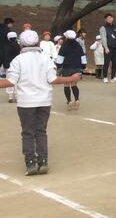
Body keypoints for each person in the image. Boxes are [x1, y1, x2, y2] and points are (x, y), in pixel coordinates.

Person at [0, 30, 81, 175]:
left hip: (26, 102)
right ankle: (43, 161)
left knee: (28, 132)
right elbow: (53, 79)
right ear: (37, 42)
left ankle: (30, 163)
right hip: (44, 101)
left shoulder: (18, 60)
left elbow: (10, 82)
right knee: (41, 131)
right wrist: (72, 78)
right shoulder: (45, 58)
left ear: (21, 43)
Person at [55, 30, 86, 110]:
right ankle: (77, 99)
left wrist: (58, 66)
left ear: (67, 37)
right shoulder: (78, 45)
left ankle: (69, 101)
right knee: (74, 85)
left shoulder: (64, 46)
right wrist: (83, 66)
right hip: (77, 67)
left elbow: (60, 58)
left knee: (66, 85)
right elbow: (83, 56)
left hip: (67, 68)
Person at [99, 13, 116, 82]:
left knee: (115, 63)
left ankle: (113, 77)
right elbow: (103, 38)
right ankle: (105, 77)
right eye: (108, 18)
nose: (110, 19)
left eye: (111, 18)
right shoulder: (103, 28)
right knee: (107, 62)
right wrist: (105, 47)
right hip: (108, 48)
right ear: (105, 19)